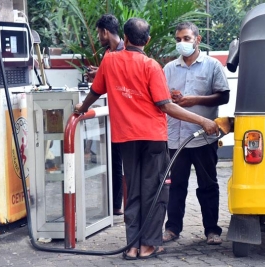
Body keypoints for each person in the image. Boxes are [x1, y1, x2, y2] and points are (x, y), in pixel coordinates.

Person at [75, 17, 219, 260]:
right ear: (148, 40)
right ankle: (148, 246)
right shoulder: (151, 66)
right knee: (154, 190)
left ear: (127, 38)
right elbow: (165, 106)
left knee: (134, 192)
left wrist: (80, 109)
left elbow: (94, 92)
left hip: (126, 139)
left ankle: (132, 247)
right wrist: (203, 121)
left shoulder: (109, 61)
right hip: (153, 138)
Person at [162, 21, 230, 245]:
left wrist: (194, 100)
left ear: (197, 40)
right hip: (176, 138)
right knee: (175, 185)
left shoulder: (212, 66)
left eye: (186, 39)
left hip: (203, 137)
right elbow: (161, 99)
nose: (182, 43)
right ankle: (172, 229)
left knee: (208, 185)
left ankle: (212, 230)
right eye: (178, 40)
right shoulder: (169, 68)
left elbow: (223, 96)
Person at [84, 14, 124, 216]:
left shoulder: (124, 51)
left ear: (105, 32)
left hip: (125, 115)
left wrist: (82, 107)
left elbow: (121, 79)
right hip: (115, 113)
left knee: (119, 162)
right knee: (114, 159)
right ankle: (115, 205)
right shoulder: (109, 52)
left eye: (99, 32)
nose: (98, 37)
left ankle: (118, 205)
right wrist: (99, 73)